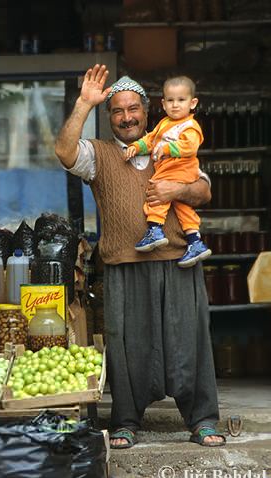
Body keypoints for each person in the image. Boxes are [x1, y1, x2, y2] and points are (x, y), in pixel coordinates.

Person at [55, 65, 225, 449]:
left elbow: (203, 192)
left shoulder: (171, 138)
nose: (127, 117)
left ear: (148, 112)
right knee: (126, 346)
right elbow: (64, 151)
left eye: (133, 109)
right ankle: (126, 421)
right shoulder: (98, 154)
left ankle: (202, 419)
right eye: (117, 111)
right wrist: (83, 103)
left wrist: (174, 190)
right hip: (123, 264)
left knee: (190, 342)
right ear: (110, 117)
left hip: (178, 260)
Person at [125, 75, 211, 267]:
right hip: (173, 169)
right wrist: (137, 147)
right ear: (163, 104)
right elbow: (151, 140)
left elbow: (190, 147)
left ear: (193, 103)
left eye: (181, 100)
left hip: (179, 169)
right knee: (183, 208)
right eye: (170, 100)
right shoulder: (164, 124)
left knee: (157, 193)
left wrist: (166, 149)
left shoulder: (190, 125)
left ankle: (155, 229)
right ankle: (195, 241)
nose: (175, 105)